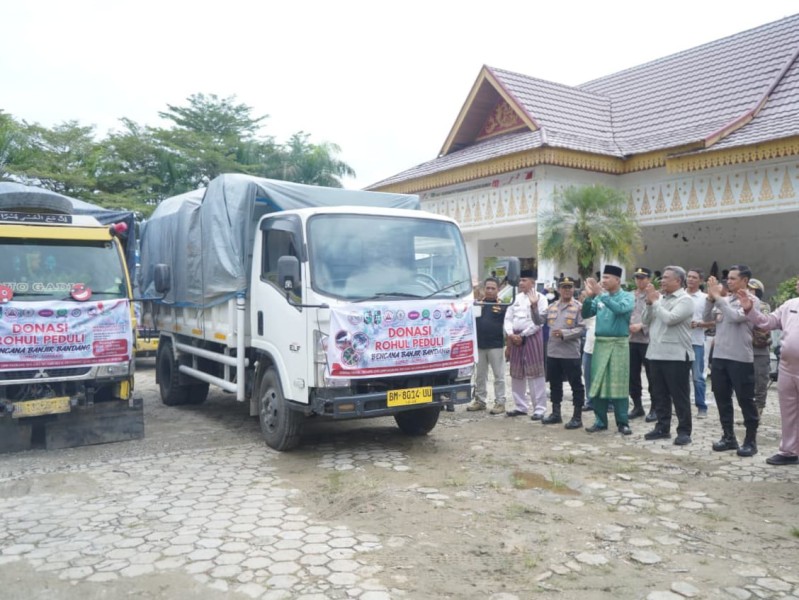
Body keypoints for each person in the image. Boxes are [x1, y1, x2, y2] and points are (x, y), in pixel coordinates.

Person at [739, 276, 799, 465]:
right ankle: (789, 451)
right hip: (787, 368)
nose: (797, 283)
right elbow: (766, 322)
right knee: (788, 411)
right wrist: (750, 309)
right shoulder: (790, 305)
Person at [704, 265, 760, 457]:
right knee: (722, 398)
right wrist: (711, 299)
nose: (729, 281)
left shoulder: (752, 300)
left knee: (745, 400)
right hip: (720, 356)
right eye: (728, 278)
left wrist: (718, 299)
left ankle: (750, 440)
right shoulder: (724, 300)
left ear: (744, 281)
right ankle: (729, 437)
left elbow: (737, 317)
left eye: (733, 278)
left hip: (740, 358)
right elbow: (705, 318)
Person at [642, 266, 695, 445]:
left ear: (678, 281)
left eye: (666, 278)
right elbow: (645, 320)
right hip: (656, 353)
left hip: (677, 355)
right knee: (659, 394)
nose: (662, 281)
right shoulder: (661, 298)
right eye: (662, 278)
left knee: (679, 395)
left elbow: (670, 319)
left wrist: (655, 302)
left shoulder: (685, 299)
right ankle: (662, 427)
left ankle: (684, 431)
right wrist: (649, 304)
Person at [581, 265, 635, 435]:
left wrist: (601, 295)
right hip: (600, 344)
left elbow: (620, 309)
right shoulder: (599, 298)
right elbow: (586, 314)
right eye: (602, 278)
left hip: (619, 344)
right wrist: (589, 298)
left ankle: (622, 422)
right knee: (597, 383)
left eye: (607, 278)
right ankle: (600, 421)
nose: (603, 281)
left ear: (618, 280)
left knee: (619, 384)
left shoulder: (627, 296)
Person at [541, 276, 585, 428]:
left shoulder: (578, 307)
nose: (567, 290)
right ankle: (555, 413)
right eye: (564, 287)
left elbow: (582, 328)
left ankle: (577, 416)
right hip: (553, 352)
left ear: (573, 289)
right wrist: (533, 307)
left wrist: (566, 334)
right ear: (559, 289)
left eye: (570, 287)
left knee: (576, 385)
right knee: (554, 384)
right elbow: (538, 321)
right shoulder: (552, 306)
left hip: (570, 353)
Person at [504, 269, 548, 419]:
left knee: (535, 373)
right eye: (520, 280)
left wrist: (522, 335)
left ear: (532, 282)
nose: (521, 283)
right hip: (515, 337)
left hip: (532, 337)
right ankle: (520, 406)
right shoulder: (515, 298)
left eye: (524, 280)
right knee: (516, 373)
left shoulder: (541, 298)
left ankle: (539, 409)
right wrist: (511, 334)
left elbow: (540, 322)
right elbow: (508, 318)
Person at [468, 277, 508, 414]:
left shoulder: (503, 306)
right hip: (479, 345)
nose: (490, 290)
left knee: (499, 376)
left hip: (495, 345)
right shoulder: (478, 304)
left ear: (498, 290)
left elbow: (507, 326)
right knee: (480, 375)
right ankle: (480, 401)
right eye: (488, 288)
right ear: (484, 289)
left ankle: (500, 402)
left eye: (493, 288)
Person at [629, 267, 654, 421]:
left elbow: (656, 316)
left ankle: (655, 407)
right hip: (632, 339)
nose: (640, 280)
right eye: (637, 277)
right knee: (633, 375)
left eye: (643, 277)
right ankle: (637, 406)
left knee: (653, 376)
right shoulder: (630, 296)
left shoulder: (654, 296)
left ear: (649, 279)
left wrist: (642, 326)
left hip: (647, 340)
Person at [686, 269, 711, 418]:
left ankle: (702, 406)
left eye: (694, 277)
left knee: (697, 377)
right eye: (689, 276)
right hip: (679, 342)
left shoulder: (705, 298)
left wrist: (700, 324)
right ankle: (679, 404)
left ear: (700, 281)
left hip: (696, 342)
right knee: (679, 377)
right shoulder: (679, 295)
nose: (690, 279)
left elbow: (713, 322)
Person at [747, 278, 772, 418]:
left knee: (760, 381)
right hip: (744, 350)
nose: (748, 291)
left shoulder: (763, 306)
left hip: (759, 350)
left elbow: (762, 323)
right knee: (746, 384)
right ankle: (749, 413)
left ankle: (758, 413)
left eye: (751, 289)